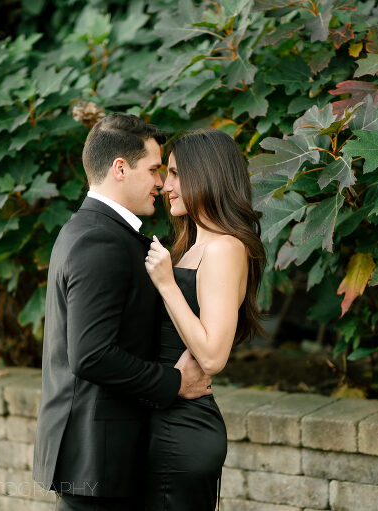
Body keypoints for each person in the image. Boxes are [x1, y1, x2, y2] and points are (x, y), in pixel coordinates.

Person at [31, 113, 213, 511]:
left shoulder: (91, 229)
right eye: (153, 169)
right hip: (98, 460)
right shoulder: (100, 240)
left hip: (99, 458)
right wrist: (174, 383)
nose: (161, 183)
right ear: (119, 168)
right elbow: (90, 354)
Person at [143, 129, 266, 511]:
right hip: (165, 416)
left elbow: (213, 357)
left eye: (177, 174)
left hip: (183, 429)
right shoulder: (192, 246)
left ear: (207, 174)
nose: (166, 185)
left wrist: (166, 284)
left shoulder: (226, 247)